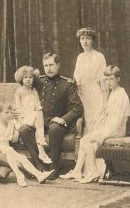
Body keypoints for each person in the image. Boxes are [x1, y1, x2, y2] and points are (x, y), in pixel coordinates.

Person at [60, 65, 130, 183]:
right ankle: (77, 170)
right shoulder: (114, 93)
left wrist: (103, 135)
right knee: (86, 137)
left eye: (111, 79)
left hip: (118, 130)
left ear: (118, 79)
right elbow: (108, 115)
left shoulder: (121, 95)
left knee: (85, 140)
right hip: (111, 127)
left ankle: (94, 171)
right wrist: (98, 124)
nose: (108, 82)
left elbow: (117, 121)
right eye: (106, 79)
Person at [18, 52, 83, 180]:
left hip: (57, 124)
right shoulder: (37, 81)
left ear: (58, 65)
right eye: (46, 65)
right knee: (24, 130)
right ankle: (39, 165)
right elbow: (22, 92)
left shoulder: (67, 84)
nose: (49, 68)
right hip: (40, 122)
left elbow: (78, 108)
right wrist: (17, 111)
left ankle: (54, 167)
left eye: (51, 65)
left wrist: (63, 119)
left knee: (54, 128)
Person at [0, 103, 54, 187]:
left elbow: (21, 126)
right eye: (6, 112)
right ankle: (36, 175)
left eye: (11, 112)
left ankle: (24, 177)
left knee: (13, 155)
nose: (9, 115)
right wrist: (0, 149)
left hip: (8, 151)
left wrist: (16, 132)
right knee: (9, 151)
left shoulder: (10, 123)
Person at [73, 27, 108, 177]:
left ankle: (100, 168)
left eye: (87, 38)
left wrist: (105, 102)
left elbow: (103, 81)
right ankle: (85, 169)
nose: (85, 41)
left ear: (92, 40)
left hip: (96, 96)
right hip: (83, 96)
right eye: (82, 38)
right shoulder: (80, 57)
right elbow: (77, 80)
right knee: (86, 129)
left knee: (96, 128)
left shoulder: (99, 57)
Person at [14, 65, 51, 164]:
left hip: (33, 117)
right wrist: (20, 120)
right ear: (21, 79)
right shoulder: (19, 91)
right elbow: (18, 108)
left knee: (39, 113)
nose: (28, 79)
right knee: (38, 114)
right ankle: (42, 149)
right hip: (23, 117)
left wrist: (39, 112)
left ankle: (41, 152)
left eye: (30, 77)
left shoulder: (34, 91)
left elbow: (37, 105)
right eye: (25, 77)